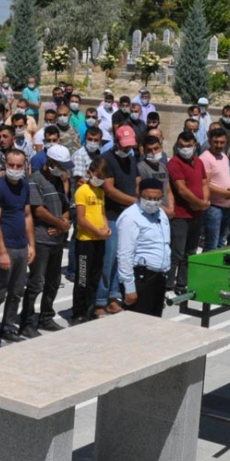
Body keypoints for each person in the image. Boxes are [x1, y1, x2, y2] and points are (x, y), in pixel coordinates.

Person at [0, 149, 35, 347]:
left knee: (16, 292)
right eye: (11, 165)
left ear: (24, 166)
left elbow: (27, 215)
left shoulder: (25, 186)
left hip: (22, 247)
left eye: (19, 166)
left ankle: (8, 327)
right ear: (5, 165)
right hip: (7, 248)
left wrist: (31, 245)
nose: (14, 169)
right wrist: (1, 252)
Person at [19, 145, 71, 336]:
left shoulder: (58, 180)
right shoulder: (34, 181)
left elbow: (65, 205)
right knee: (36, 283)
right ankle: (27, 321)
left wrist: (63, 223)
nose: (63, 170)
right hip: (41, 240)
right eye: (60, 165)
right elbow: (38, 210)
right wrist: (62, 224)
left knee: (53, 281)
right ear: (50, 163)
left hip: (56, 240)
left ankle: (46, 316)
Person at [97, 125, 140, 313]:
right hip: (111, 216)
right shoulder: (106, 160)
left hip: (128, 217)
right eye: (124, 146)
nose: (127, 149)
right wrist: (136, 203)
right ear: (115, 141)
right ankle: (100, 300)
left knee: (122, 259)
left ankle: (114, 296)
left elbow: (136, 182)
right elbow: (109, 189)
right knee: (108, 261)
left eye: (130, 146)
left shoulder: (131, 159)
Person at [116, 178, 171, 317]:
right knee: (138, 324)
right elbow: (124, 255)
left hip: (159, 277)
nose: (152, 202)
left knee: (154, 322)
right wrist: (129, 288)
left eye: (157, 198)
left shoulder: (161, 213)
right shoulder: (130, 217)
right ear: (139, 195)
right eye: (148, 198)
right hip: (141, 278)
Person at [167, 131, 209, 292]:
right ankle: (168, 286)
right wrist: (200, 203)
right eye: (182, 146)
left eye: (189, 146)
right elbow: (181, 190)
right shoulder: (174, 164)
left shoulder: (198, 162)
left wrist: (204, 202)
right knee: (176, 253)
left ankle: (182, 284)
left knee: (190, 253)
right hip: (180, 216)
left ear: (194, 145)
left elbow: (205, 183)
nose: (186, 149)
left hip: (197, 215)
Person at [72, 157, 111, 323]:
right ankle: (77, 313)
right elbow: (81, 219)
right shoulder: (82, 191)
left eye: (103, 177)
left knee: (95, 277)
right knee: (82, 278)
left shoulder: (101, 192)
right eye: (97, 175)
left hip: (99, 240)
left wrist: (106, 228)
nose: (99, 179)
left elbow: (102, 214)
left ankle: (89, 308)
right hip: (86, 240)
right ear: (90, 172)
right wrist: (97, 231)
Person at [200, 130, 230, 251]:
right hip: (213, 207)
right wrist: (227, 193)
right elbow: (206, 184)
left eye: (222, 142)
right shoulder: (205, 158)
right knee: (212, 244)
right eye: (216, 142)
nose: (219, 145)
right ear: (210, 141)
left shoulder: (224, 156)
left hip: (226, 206)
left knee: (221, 242)